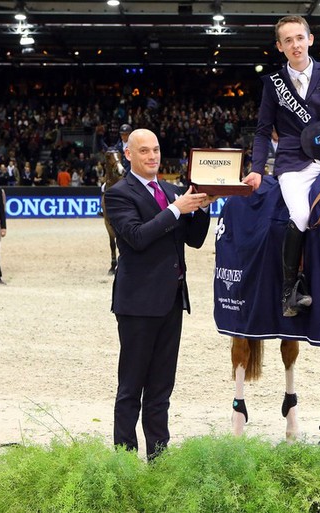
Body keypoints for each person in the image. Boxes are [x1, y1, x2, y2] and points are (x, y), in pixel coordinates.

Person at [104, 128, 215, 461]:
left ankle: (159, 460)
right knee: (131, 388)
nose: (152, 156)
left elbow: (192, 240)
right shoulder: (118, 194)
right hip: (137, 304)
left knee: (161, 389)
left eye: (155, 150)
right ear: (128, 155)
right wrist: (177, 209)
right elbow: (137, 238)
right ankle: (124, 460)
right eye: (143, 151)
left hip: (171, 301)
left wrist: (202, 208)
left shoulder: (170, 190)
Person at [242, 15, 320, 317]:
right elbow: (261, 130)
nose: (295, 45)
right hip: (292, 163)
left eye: (299, 38)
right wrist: (257, 168)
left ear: (310, 39)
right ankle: (289, 291)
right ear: (279, 47)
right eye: (288, 41)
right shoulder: (273, 84)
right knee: (301, 214)